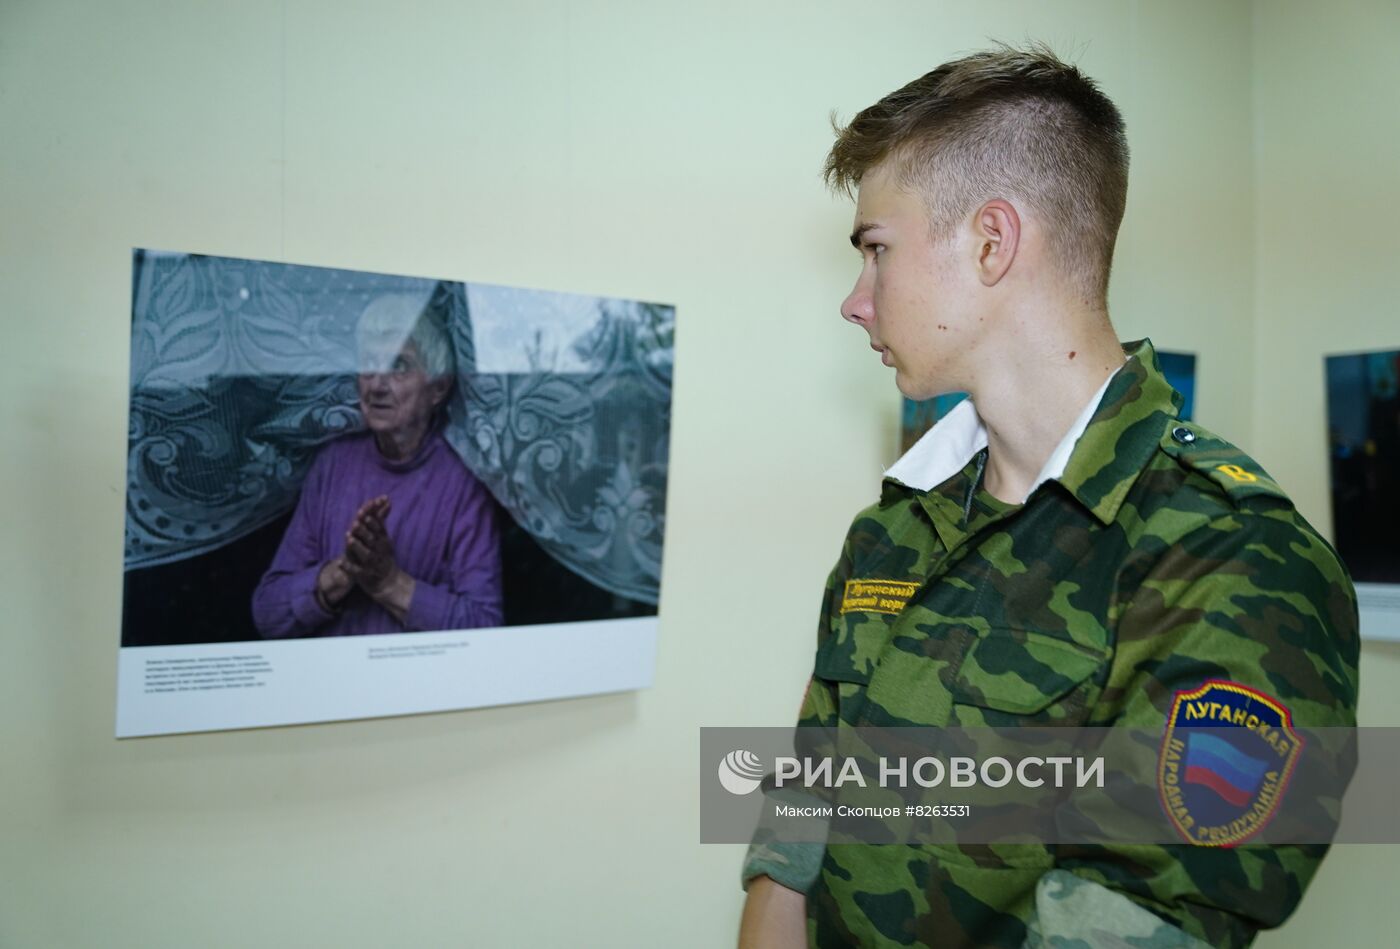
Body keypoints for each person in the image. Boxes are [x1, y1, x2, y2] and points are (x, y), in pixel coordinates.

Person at [738, 44, 1359, 948]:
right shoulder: (892, 530)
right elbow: (801, 816)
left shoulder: (1237, 559)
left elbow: (1146, 917)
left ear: (992, 241)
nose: (855, 301)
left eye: (877, 251)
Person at [252, 293, 504, 637]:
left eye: (398, 366)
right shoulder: (334, 463)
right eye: (369, 363)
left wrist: (388, 582)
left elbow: (485, 628)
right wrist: (341, 574)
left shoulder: (462, 481)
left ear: (438, 388)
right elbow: (267, 614)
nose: (377, 385)